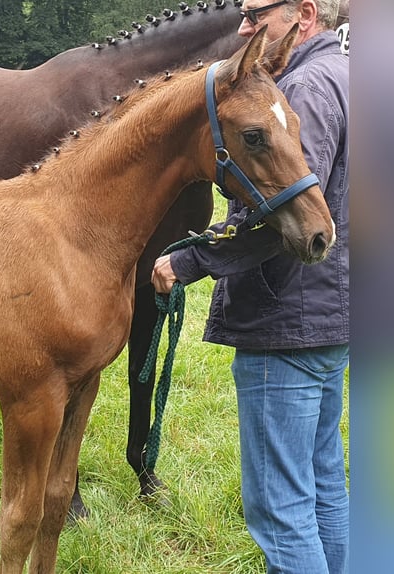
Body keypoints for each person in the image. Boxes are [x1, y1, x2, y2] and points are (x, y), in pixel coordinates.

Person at [150, 1, 349, 572]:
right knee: (322, 483)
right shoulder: (343, 72)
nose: (242, 27)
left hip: (286, 319)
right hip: (330, 314)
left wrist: (188, 262)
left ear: (303, 12)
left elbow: (287, 215)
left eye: (254, 12)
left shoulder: (306, 87)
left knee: (281, 509)